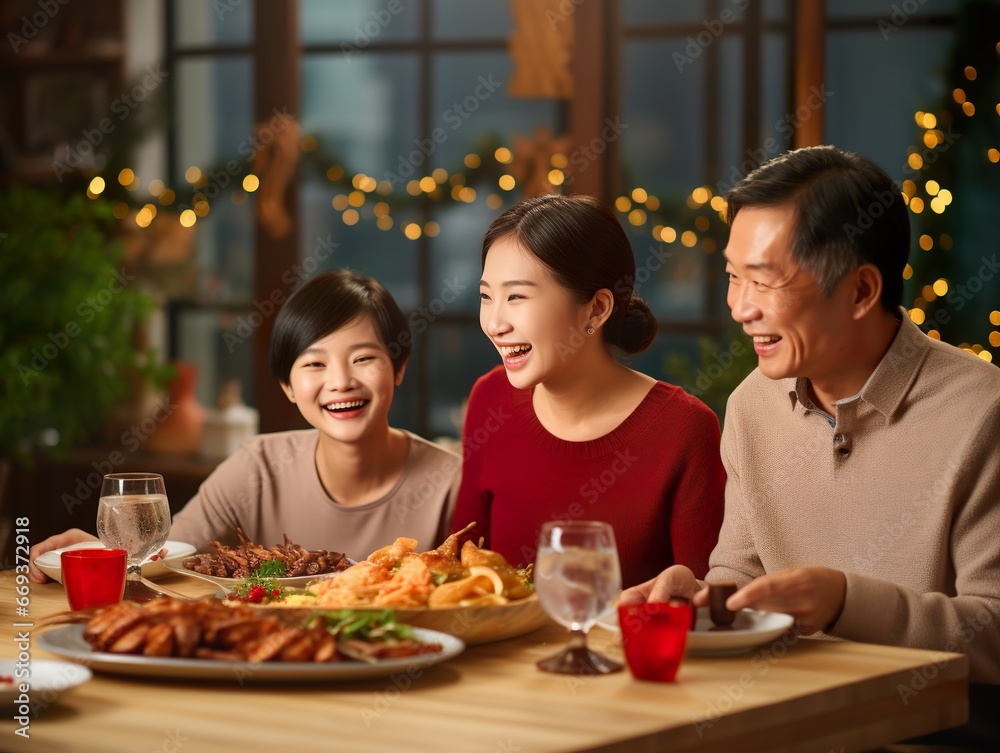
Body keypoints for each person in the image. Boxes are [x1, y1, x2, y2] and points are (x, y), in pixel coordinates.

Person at [621, 146, 1000, 747]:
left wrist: (845, 601)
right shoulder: (752, 405)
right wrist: (699, 595)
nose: (740, 308)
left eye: (764, 280)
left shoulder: (983, 411)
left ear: (860, 291)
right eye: (732, 276)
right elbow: (741, 572)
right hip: (771, 731)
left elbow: (994, 633)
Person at [29, 270, 460, 579]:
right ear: (288, 385)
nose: (341, 381)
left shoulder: (450, 481)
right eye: (314, 363)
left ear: (398, 366)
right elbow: (166, 558)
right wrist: (102, 555)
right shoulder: (259, 466)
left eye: (364, 358)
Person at [452, 194, 726, 588]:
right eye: (485, 296)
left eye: (516, 296)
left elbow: (702, 604)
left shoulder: (684, 427)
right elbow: (459, 568)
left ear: (596, 309)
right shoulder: (490, 399)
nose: (494, 322)